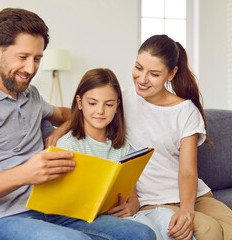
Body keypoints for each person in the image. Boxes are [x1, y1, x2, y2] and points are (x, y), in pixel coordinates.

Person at [0, 8, 156, 240]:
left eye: (37, 59)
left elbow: (69, 114)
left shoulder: (30, 95)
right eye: (23, 57)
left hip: (48, 207)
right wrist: (26, 173)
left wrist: (60, 131)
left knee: (141, 233)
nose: (31, 69)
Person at [121, 34, 232, 240]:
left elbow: (188, 171)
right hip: (153, 200)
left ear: (171, 74)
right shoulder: (124, 100)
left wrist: (186, 210)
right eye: (138, 68)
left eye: (154, 74)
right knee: (208, 229)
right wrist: (56, 119)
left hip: (195, 196)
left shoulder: (185, 111)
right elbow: (86, 112)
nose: (142, 79)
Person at [56, 68, 176, 240]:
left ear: (117, 105)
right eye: (92, 103)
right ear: (80, 102)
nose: (100, 111)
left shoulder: (122, 147)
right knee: (144, 231)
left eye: (109, 104)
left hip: (117, 217)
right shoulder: (68, 145)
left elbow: (133, 198)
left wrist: (131, 208)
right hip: (82, 220)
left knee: (167, 218)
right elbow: (63, 202)